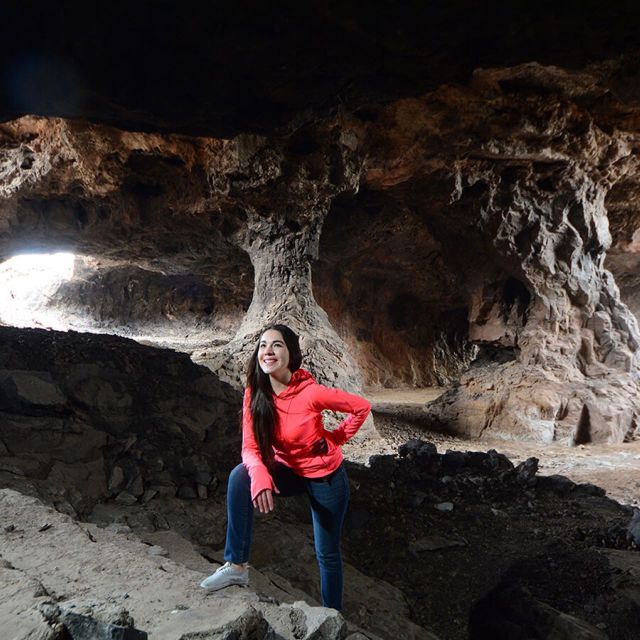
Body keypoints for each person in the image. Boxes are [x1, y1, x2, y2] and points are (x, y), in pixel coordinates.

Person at [200, 323, 371, 610]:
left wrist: (336, 438)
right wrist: (261, 475)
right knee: (240, 476)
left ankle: (331, 616)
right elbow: (250, 448)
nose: (268, 350)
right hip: (289, 472)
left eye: (277, 345)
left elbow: (361, 406)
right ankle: (237, 567)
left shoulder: (311, 393)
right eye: (263, 345)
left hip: (325, 477)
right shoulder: (255, 392)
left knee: (326, 554)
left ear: (291, 354)